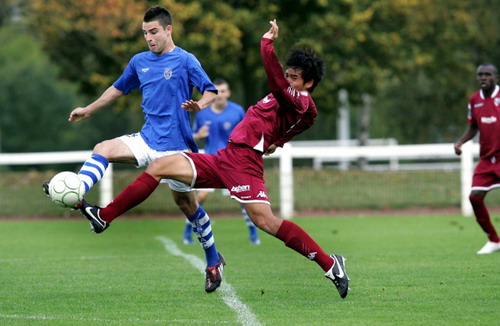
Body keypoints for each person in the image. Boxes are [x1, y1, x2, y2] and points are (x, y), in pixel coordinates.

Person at [79, 19, 350, 299]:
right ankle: (104, 216)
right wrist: (275, 141)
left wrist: (266, 44)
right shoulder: (293, 100)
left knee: (265, 222)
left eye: (294, 77)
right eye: (288, 74)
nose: (288, 79)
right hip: (226, 157)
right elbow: (291, 121)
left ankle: (331, 265)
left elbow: (284, 93)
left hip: (245, 164)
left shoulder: (300, 99)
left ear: (309, 83)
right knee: (160, 166)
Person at [43, 6, 225, 292]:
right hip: (146, 138)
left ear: (168, 30)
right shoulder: (139, 61)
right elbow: (117, 88)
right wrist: (88, 110)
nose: (149, 38)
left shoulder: (186, 60)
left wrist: (198, 105)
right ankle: (79, 189)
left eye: (153, 32)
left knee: (187, 205)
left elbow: (211, 91)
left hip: (176, 149)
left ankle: (213, 259)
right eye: (144, 33)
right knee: (102, 147)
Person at [182, 78, 260, 245]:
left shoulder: (238, 111)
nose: (220, 95)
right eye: (216, 91)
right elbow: (192, 135)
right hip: (211, 161)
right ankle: (188, 232)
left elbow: (248, 132)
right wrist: (198, 135)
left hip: (233, 162)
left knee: (243, 198)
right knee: (200, 196)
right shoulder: (202, 113)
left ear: (228, 93)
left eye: (223, 91)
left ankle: (253, 234)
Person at [454, 63, 500, 255]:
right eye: (480, 75)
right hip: (486, 160)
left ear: (496, 77)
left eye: (487, 74)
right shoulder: (474, 100)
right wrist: (460, 142)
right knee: (474, 197)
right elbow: (473, 126)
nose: (483, 78)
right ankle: (494, 240)